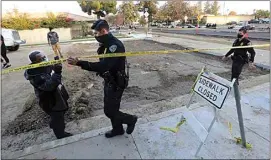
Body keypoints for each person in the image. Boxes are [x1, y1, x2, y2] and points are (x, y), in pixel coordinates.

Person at [67, 19, 138, 138]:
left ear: (103, 31)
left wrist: (80, 63)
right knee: (111, 109)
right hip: (109, 80)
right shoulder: (106, 44)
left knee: (110, 111)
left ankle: (131, 119)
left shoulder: (115, 45)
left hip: (116, 82)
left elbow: (103, 66)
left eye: (96, 33)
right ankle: (118, 129)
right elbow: (103, 62)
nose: (95, 36)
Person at [24, 51, 72, 139]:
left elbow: (51, 71)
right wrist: (57, 73)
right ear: (34, 62)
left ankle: (54, 123)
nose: (44, 59)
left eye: (44, 57)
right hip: (49, 100)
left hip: (57, 95)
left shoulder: (43, 66)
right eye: (41, 59)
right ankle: (60, 134)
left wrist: (56, 64)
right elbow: (49, 86)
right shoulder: (36, 75)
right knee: (57, 115)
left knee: (61, 111)